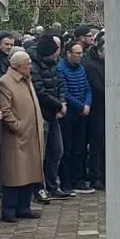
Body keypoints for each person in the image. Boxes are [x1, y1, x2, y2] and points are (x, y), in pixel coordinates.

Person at [0, 50, 46, 222]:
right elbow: (5, 109)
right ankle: (9, 209)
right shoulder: (5, 82)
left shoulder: (26, 79)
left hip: (31, 134)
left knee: (29, 173)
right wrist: (18, 127)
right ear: (18, 66)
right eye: (28, 63)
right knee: (15, 174)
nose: (31, 66)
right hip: (16, 136)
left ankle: (24, 207)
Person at [30, 33, 69, 201]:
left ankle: (53, 185)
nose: (57, 55)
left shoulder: (54, 63)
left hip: (54, 113)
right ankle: (38, 188)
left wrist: (62, 102)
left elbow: (61, 83)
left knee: (57, 150)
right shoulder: (33, 66)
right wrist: (58, 105)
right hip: (42, 114)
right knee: (40, 154)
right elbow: (40, 92)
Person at [57, 42, 94, 195]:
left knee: (80, 148)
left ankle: (78, 179)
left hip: (82, 113)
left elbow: (87, 88)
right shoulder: (61, 69)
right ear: (68, 53)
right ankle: (66, 182)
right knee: (68, 149)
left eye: (81, 53)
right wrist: (80, 106)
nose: (80, 56)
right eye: (77, 53)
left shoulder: (81, 69)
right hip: (69, 114)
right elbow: (65, 92)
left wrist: (87, 104)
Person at [80, 30, 107, 190]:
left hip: (106, 109)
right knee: (97, 144)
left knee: (105, 144)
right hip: (97, 110)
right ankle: (95, 175)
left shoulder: (107, 65)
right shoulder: (91, 66)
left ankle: (104, 174)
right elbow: (97, 89)